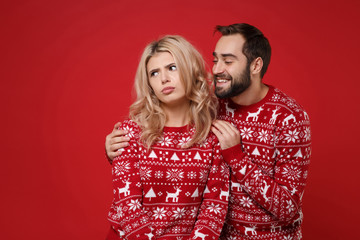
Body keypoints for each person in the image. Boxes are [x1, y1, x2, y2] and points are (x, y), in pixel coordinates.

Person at [106, 23, 311, 240]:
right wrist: (115, 150)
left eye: (228, 61)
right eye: (215, 60)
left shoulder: (289, 118)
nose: (216, 69)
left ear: (255, 65)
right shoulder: (213, 107)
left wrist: (236, 158)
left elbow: (288, 209)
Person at [106, 35, 229, 240]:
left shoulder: (212, 137)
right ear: (150, 84)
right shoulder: (130, 133)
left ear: (189, 69)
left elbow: (214, 206)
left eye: (172, 68)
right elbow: (128, 206)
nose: (163, 79)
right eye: (154, 73)